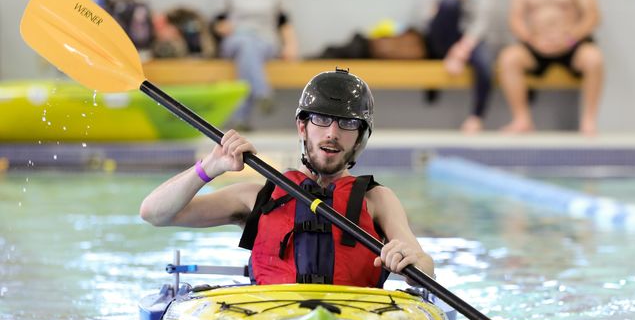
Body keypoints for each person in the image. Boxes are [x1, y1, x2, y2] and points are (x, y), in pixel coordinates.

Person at [139, 69, 435, 287]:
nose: (332, 132)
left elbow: (426, 268)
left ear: (359, 137)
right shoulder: (257, 197)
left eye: (347, 123)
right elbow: (154, 213)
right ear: (303, 127)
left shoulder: (378, 200)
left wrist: (409, 260)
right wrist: (209, 166)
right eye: (321, 119)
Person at [498, 0, 603, 135]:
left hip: (571, 44)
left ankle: (588, 121)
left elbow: (593, 16)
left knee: (593, 58)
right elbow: (515, 19)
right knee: (508, 58)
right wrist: (531, 39)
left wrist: (569, 38)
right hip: (536, 44)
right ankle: (522, 120)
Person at [213, 0, 299, 130]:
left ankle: (241, 119)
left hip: (265, 41)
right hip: (236, 39)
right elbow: (218, 23)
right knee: (245, 44)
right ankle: (262, 92)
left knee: (249, 49)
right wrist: (227, 28)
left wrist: (290, 45)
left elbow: (284, 22)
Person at [422, 0, 494, 134]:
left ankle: (476, 117)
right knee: (450, 2)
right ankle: (449, 57)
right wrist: (450, 2)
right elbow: (427, 18)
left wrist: (461, 50)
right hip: (442, 39)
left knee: (485, 64)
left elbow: (481, 22)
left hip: (467, 40)